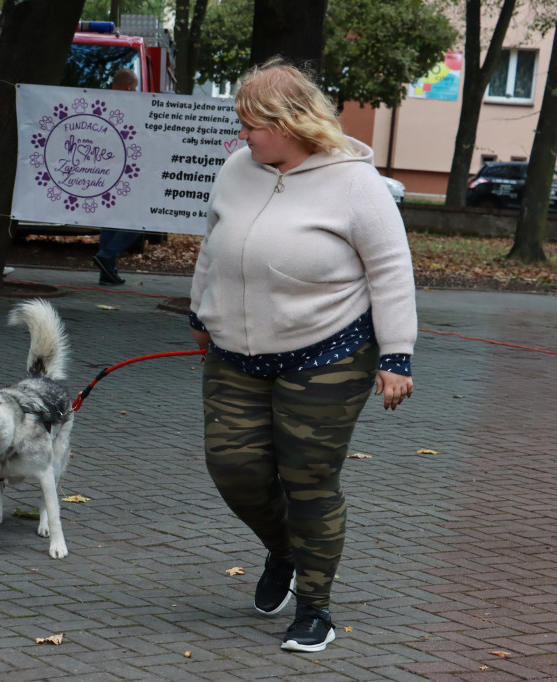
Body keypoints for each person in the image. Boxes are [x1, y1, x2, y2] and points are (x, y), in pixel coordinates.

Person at [188, 59, 417, 653]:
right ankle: (283, 551)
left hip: (328, 353)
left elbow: (391, 270)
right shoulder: (239, 169)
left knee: (309, 480)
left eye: (251, 125)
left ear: (289, 122)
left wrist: (398, 354)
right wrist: (200, 313)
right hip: (235, 354)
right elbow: (212, 246)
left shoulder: (354, 182)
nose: (242, 135)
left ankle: (316, 607)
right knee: (234, 469)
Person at [93, 67, 145, 285]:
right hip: (124, 170)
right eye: (135, 87)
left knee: (110, 219)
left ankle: (107, 270)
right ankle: (107, 256)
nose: (136, 91)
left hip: (103, 170)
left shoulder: (101, 102)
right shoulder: (128, 105)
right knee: (139, 221)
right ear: (129, 86)